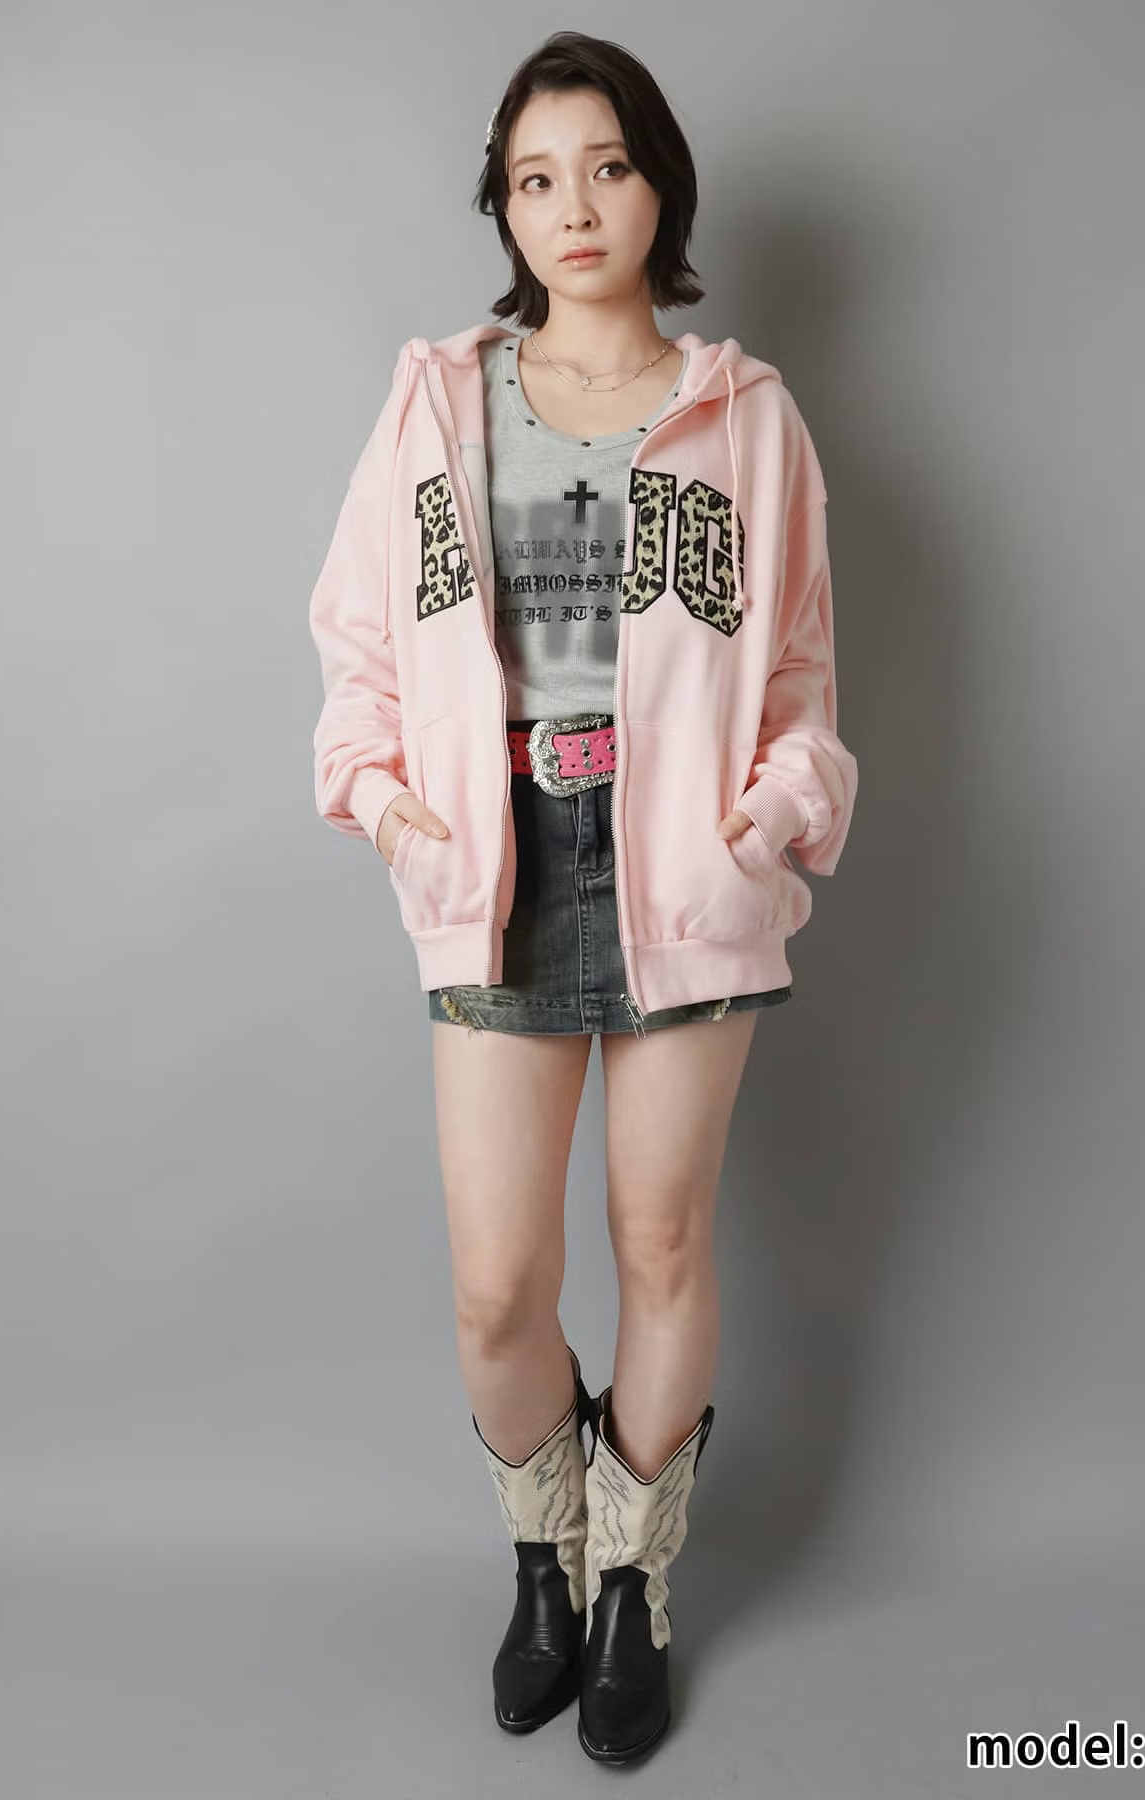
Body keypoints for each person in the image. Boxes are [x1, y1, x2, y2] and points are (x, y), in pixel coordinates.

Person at [307, 31, 860, 1767]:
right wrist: (394, 814)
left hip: (685, 869)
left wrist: (766, 818)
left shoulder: (746, 416)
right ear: (504, 207)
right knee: (498, 1285)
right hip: (499, 868)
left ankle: (634, 1584)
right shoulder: (434, 403)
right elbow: (357, 652)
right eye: (535, 178)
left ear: (659, 185)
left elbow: (801, 677)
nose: (574, 206)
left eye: (606, 166)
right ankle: (542, 1557)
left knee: (661, 1243)